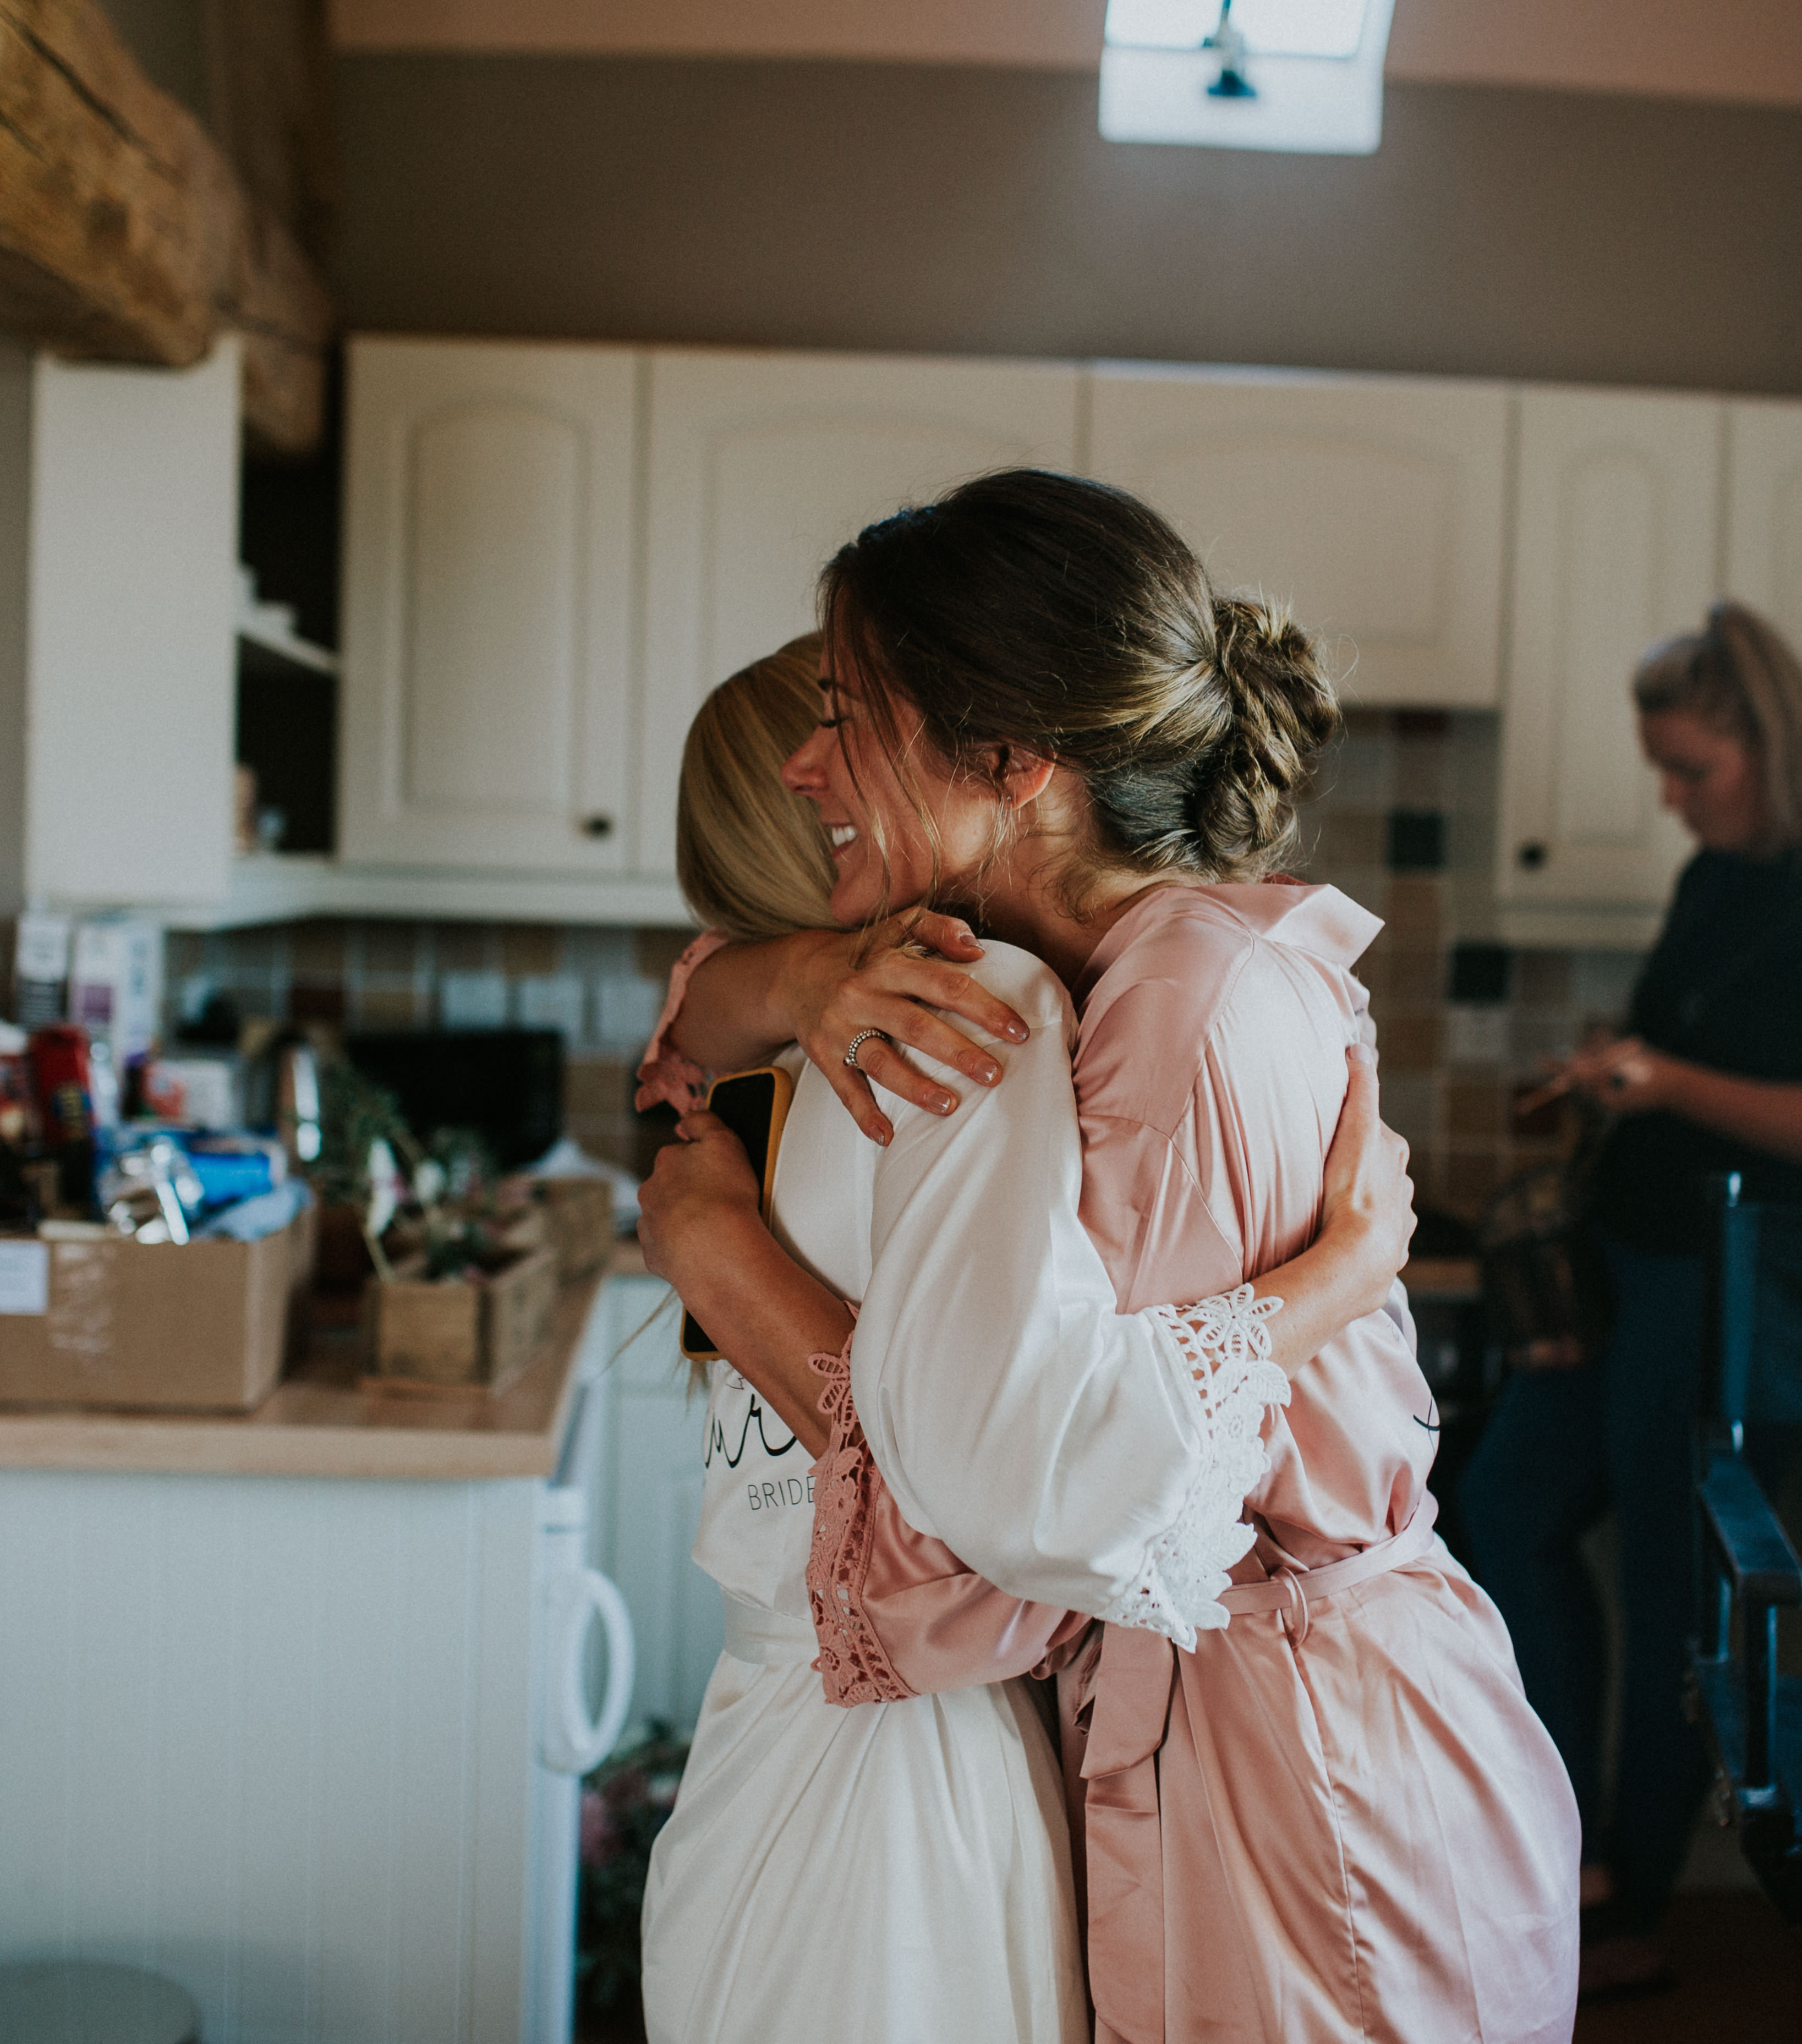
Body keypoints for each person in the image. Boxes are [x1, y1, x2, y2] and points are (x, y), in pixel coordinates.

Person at [643, 470, 1581, 2044]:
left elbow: (1003, 1521)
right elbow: (684, 1038)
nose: (810, 767)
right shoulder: (1067, 977)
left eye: (848, 713)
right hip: (1218, 1730)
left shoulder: (1148, 1009)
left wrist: (719, 1249)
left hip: (1310, 1774)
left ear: (1009, 760)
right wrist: (785, 985)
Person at [1458, 599, 1802, 1996]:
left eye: (1690, 771)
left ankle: (1618, 1899)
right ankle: (1554, 1847)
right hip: (1631, 1264)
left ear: (1766, 741)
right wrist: (1616, 1072)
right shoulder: (1723, 875)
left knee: (1684, 1594)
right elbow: (1688, 1047)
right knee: (1501, 1509)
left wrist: (1662, 1084)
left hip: (1736, 1294)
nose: (1670, 801)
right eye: (1660, 771)